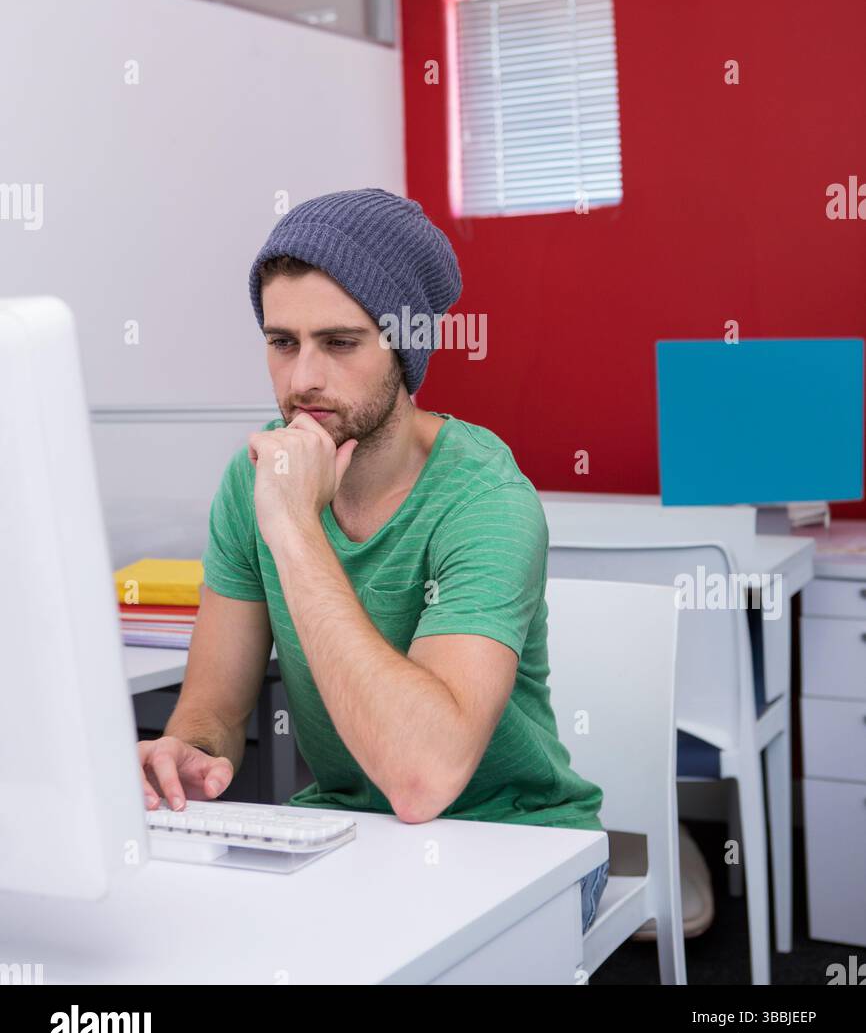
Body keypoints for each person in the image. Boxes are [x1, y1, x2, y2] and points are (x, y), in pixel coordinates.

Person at [138, 187, 608, 932]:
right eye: (283, 342)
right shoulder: (253, 480)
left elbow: (423, 778)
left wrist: (295, 530)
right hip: (350, 837)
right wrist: (184, 754)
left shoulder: (485, 497)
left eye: (341, 343)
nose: (301, 382)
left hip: (517, 843)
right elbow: (214, 714)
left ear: (405, 346)